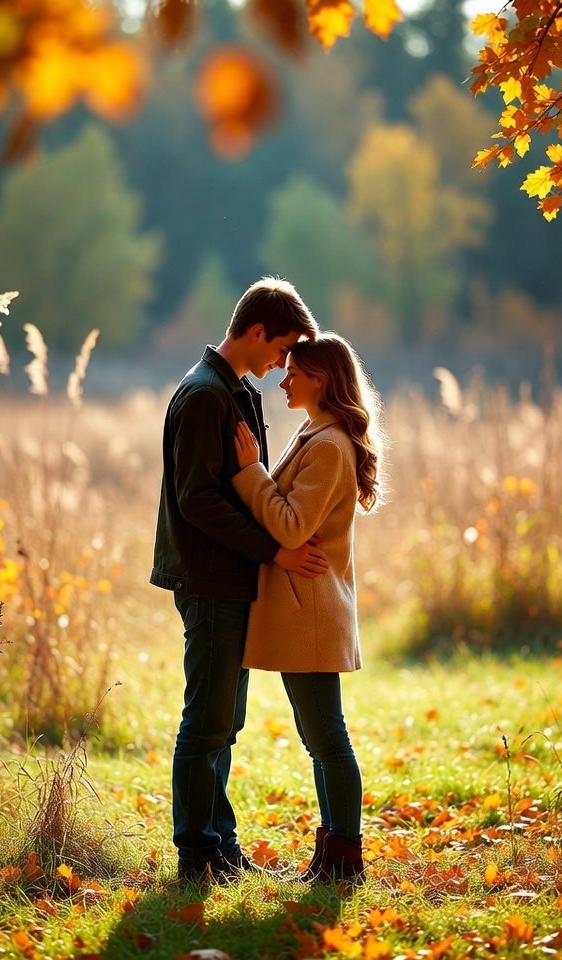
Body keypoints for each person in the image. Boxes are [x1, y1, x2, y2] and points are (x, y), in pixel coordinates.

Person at [150, 277, 327, 884]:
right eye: (281, 349)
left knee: (226, 720)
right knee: (206, 721)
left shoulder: (237, 393)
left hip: (235, 577)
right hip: (210, 578)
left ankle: (220, 847)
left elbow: (244, 485)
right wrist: (274, 551)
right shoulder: (203, 396)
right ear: (256, 332)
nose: (283, 363)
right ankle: (197, 855)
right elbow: (196, 498)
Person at [232, 331, 385, 882]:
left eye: (294, 371)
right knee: (320, 737)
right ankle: (332, 855)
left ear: (321, 380)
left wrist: (251, 474)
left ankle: (344, 862)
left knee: (327, 737)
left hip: (312, 610)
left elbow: (293, 526)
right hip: (307, 606)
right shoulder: (316, 433)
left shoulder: (327, 445)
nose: (283, 378)